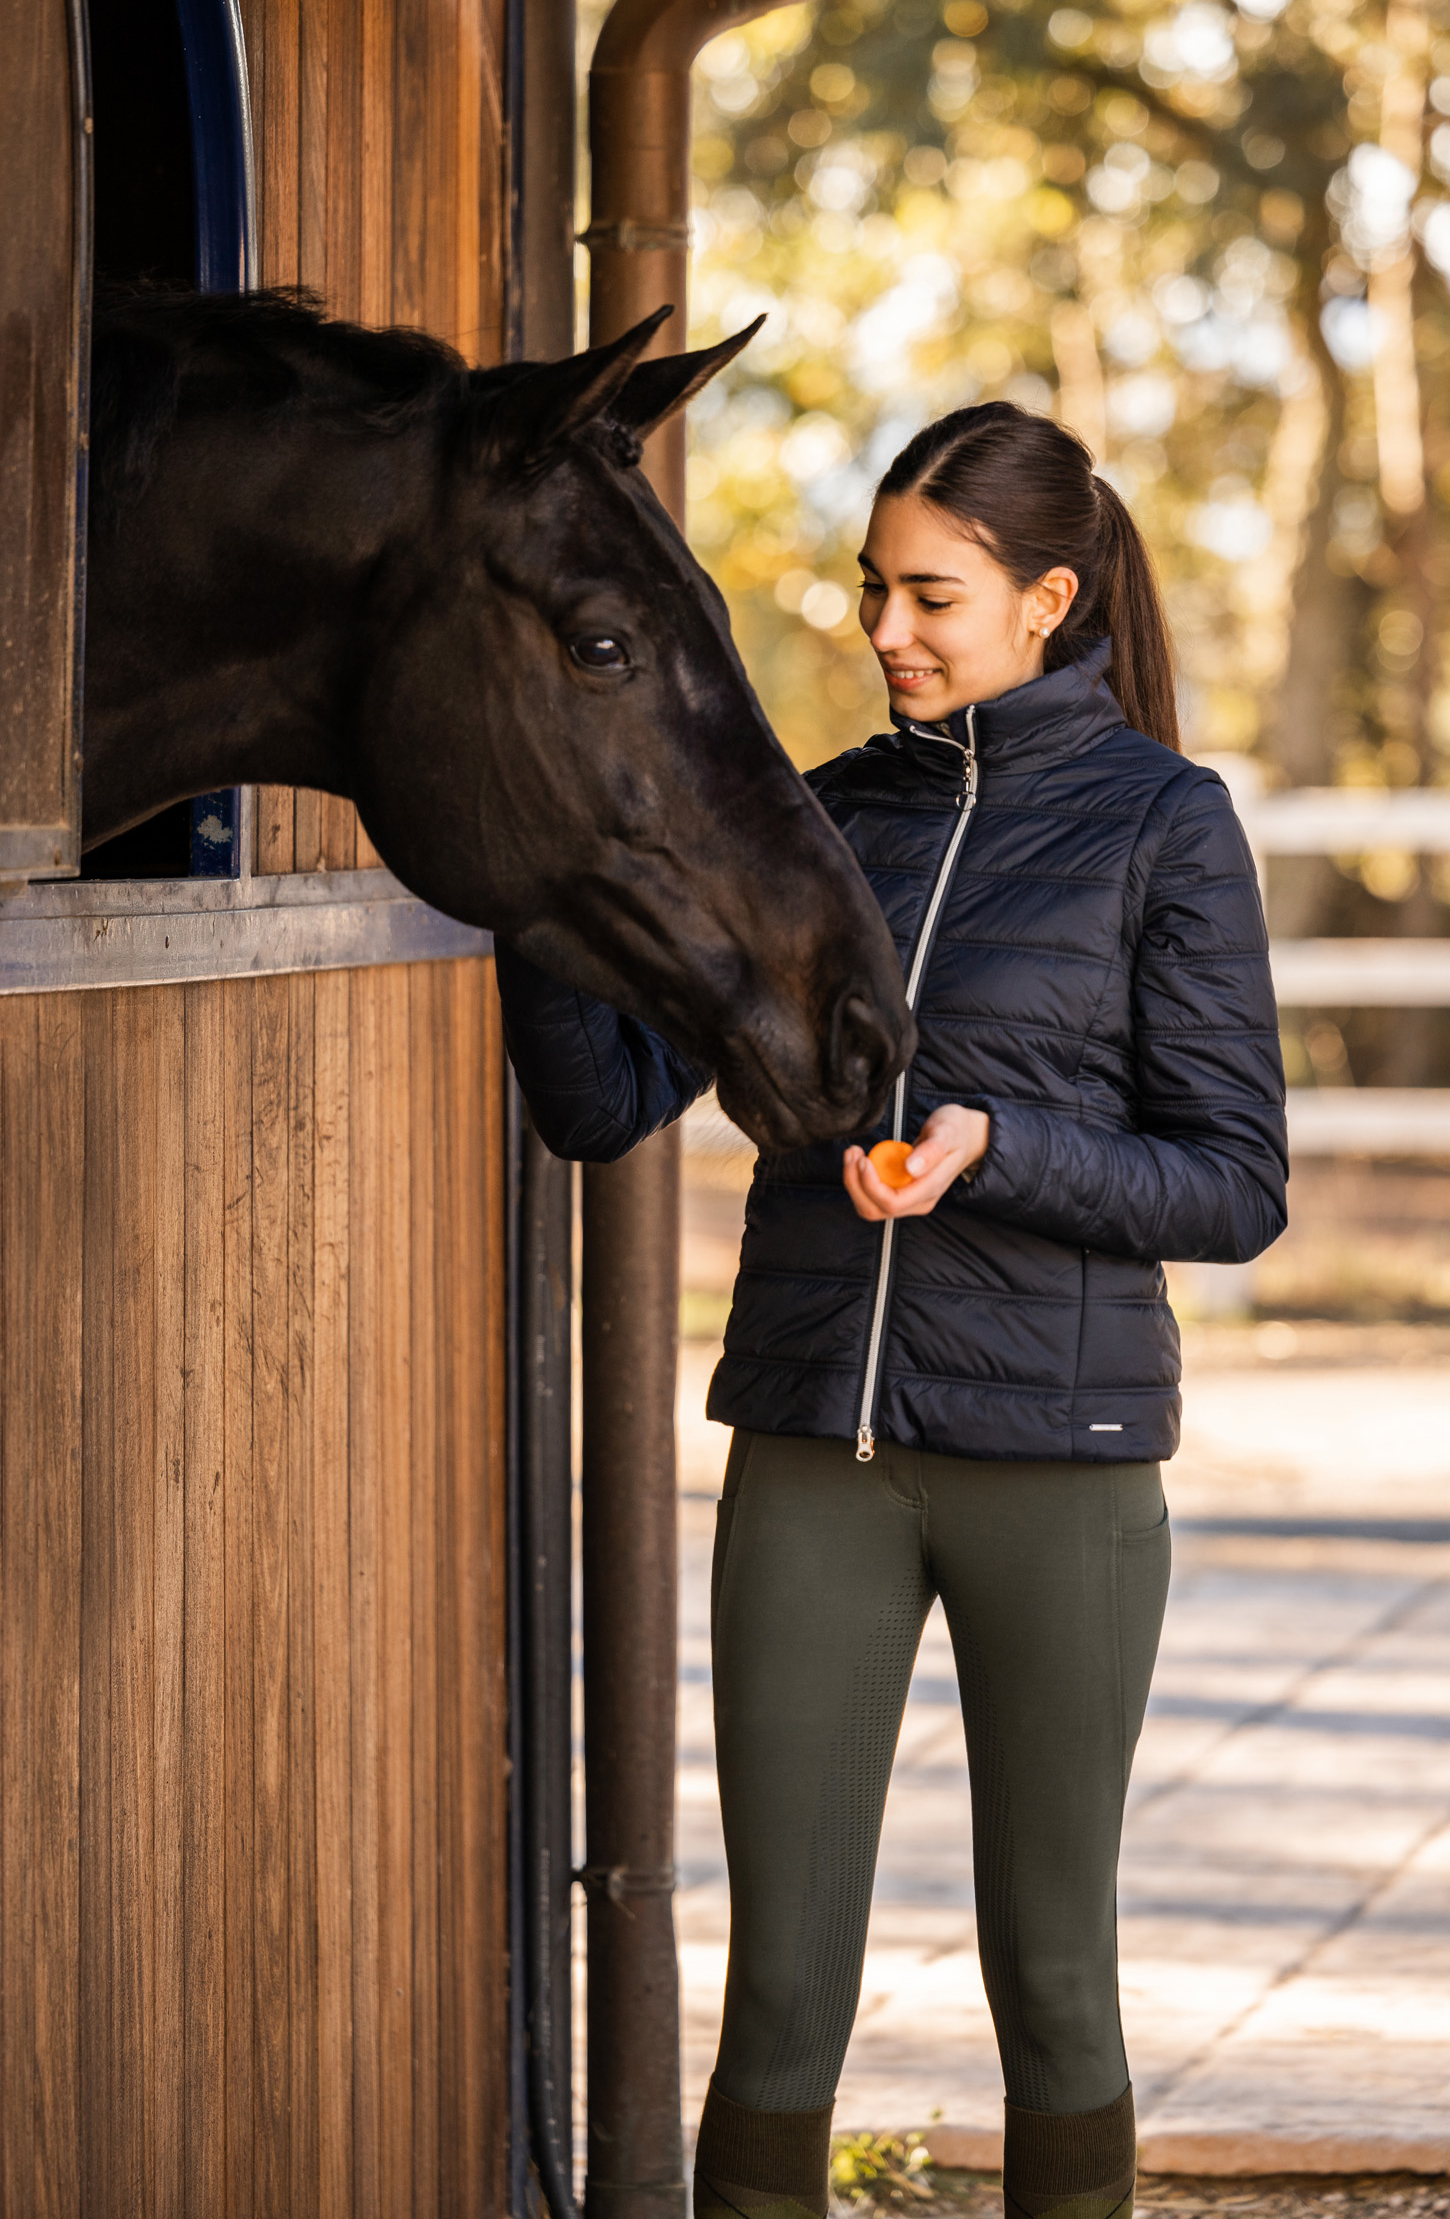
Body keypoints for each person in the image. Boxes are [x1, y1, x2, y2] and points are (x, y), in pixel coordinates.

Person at [497, 403, 1288, 2219]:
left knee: (1054, 1986)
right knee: (777, 1991)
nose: (884, 630)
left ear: (1046, 601)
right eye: (872, 590)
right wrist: (539, 893)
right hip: (811, 1452)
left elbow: (1235, 1183)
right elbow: (605, 1099)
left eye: (930, 592)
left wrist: (989, 1150)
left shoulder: (1164, 826)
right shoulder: (819, 817)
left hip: (1059, 1467)